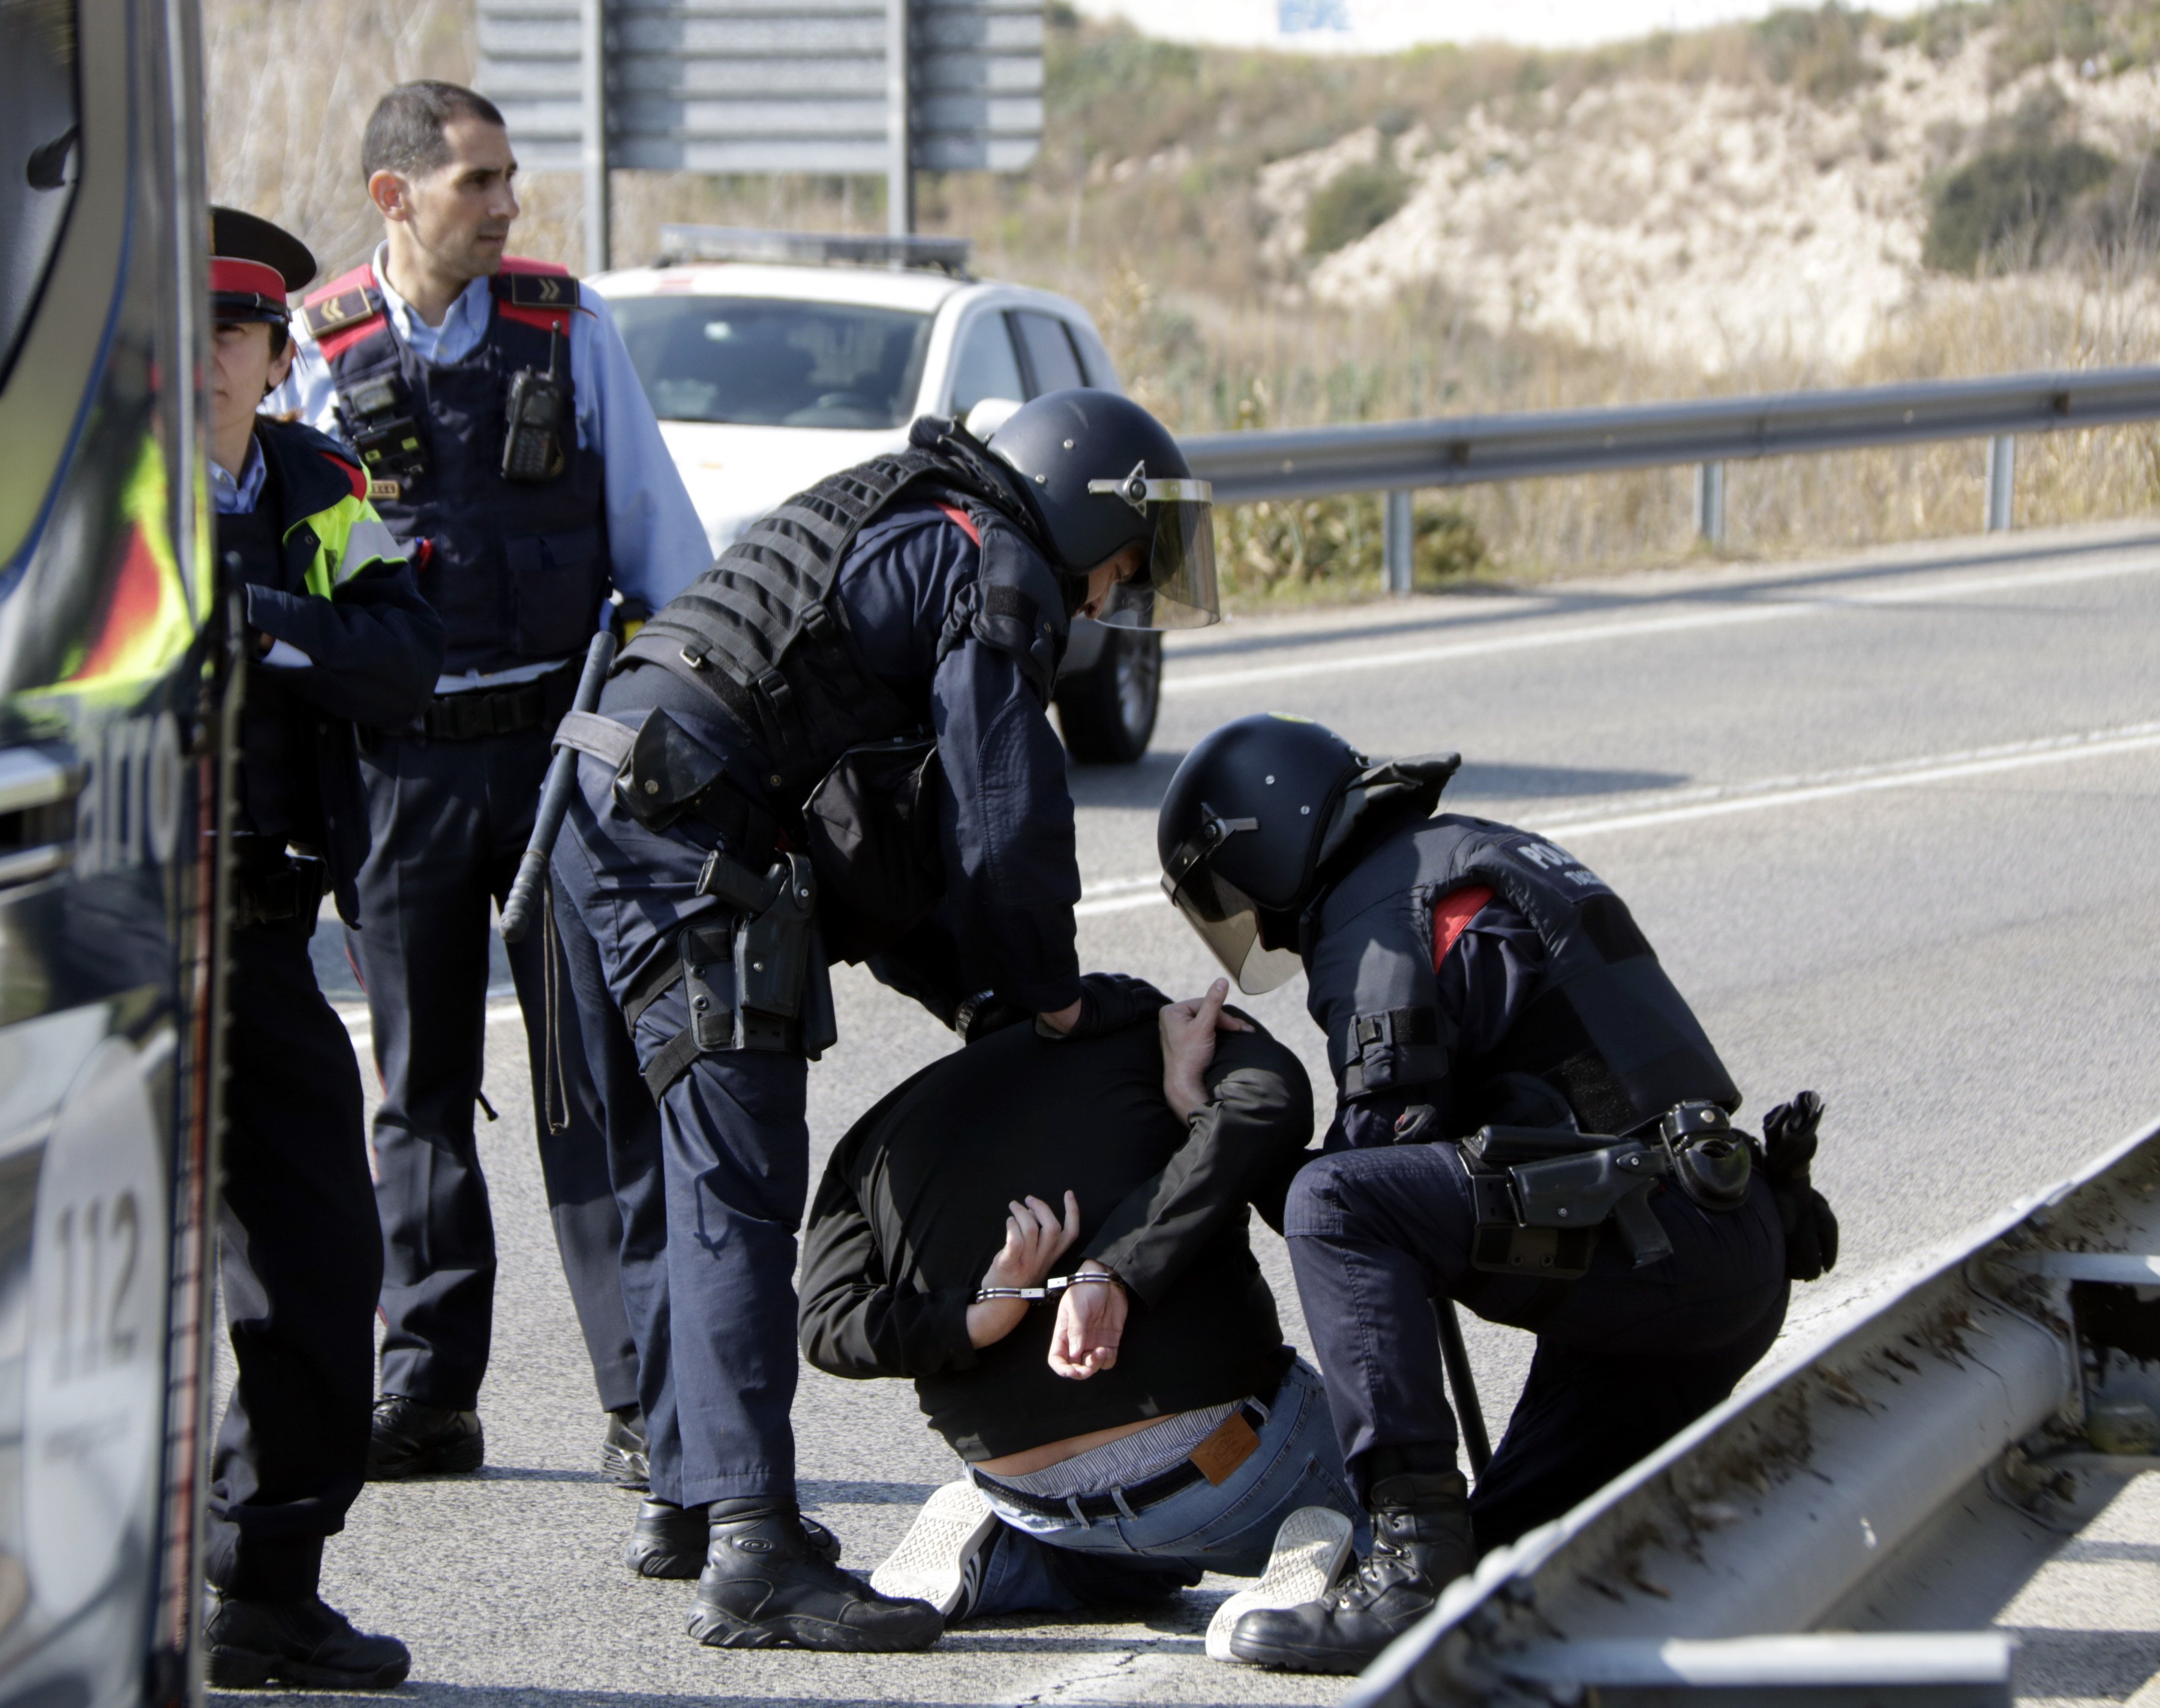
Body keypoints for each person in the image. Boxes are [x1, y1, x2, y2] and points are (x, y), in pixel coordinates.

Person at [543, 385, 1220, 1649]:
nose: (1106, 595)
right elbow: (1002, 812)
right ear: (1083, 507)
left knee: (676, 1173)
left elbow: (873, 840)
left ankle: (697, 1497)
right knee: (738, 1183)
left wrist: (976, 995)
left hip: (596, 795)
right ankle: (753, 1549)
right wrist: (1049, 991)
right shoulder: (999, 565)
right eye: (1122, 563)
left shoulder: (909, 513)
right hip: (681, 827)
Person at [1153, 714, 1841, 1674]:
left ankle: (1407, 1567)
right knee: (1501, 1566)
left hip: (1651, 1245)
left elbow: (1371, 1180)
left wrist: (1215, 1116)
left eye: (1235, 892)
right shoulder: (1467, 853)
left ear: (1263, 841)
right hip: (1721, 1245)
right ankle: (1451, 1566)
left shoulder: (1373, 910)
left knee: (1332, 1205)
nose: (1254, 921)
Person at [268, 81, 711, 1484]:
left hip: (556, 761)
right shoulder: (311, 353)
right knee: (418, 1086)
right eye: (480, 182)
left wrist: (669, 731)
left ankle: (643, 1396)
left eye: (510, 179)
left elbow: (664, 548)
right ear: (395, 195)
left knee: (596, 1081)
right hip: (394, 774)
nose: (508, 205)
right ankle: (428, 1391)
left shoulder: (567, 323)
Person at [800, 979, 1368, 1652]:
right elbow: (1270, 1103)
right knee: (1393, 1489)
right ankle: (1344, 1548)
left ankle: (1001, 1557)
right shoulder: (1174, 1030)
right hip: (1225, 1468)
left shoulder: (875, 1130)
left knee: (1150, 1569)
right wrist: (1184, 1113)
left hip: (1023, 1493)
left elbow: (826, 1325)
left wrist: (980, 1315)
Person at [198, 208, 444, 1688]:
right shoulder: (99, 487)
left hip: (265, 929)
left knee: (319, 1261)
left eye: (233, 336)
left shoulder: (319, 482)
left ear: (276, 355)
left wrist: (257, 620)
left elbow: (400, 660)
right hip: (102, 939)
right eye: (183, 335)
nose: (205, 362)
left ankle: (265, 1579)